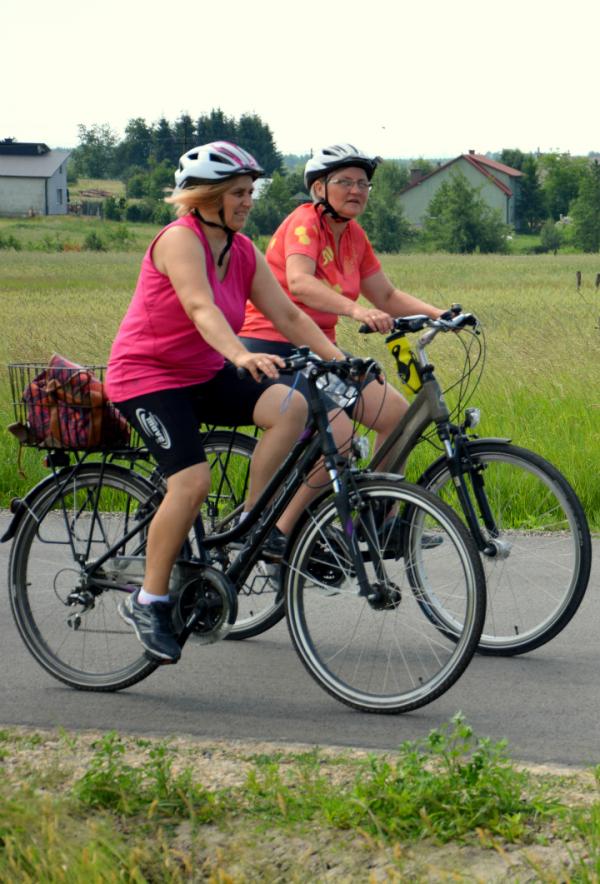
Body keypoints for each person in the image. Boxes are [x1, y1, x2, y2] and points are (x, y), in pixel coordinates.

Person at [106, 141, 346, 663]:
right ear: (206, 197)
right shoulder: (179, 240)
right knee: (191, 482)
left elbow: (289, 315)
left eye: (249, 192)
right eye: (238, 193)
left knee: (290, 406)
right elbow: (199, 307)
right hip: (147, 377)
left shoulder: (241, 251)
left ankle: (254, 522)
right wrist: (240, 353)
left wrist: (340, 360)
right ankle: (148, 601)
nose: (248, 201)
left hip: (201, 373)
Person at [239, 143, 444, 453]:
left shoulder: (354, 235)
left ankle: (380, 488)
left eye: (363, 184)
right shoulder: (305, 222)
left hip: (320, 350)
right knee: (339, 437)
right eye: (345, 182)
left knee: (395, 416)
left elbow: (386, 295)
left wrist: (439, 315)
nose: (356, 190)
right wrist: (357, 311)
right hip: (275, 345)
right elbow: (299, 282)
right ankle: (302, 488)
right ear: (319, 188)